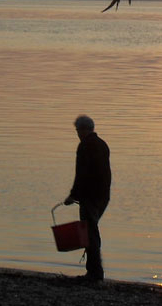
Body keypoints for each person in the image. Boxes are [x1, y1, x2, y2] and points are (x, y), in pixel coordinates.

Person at [64, 115, 111, 281]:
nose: (77, 134)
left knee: (90, 233)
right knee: (92, 230)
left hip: (89, 196)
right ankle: (94, 271)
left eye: (78, 130)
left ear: (83, 130)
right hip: (103, 195)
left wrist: (73, 195)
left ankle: (95, 273)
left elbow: (81, 174)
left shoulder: (84, 146)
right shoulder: (102, 145)